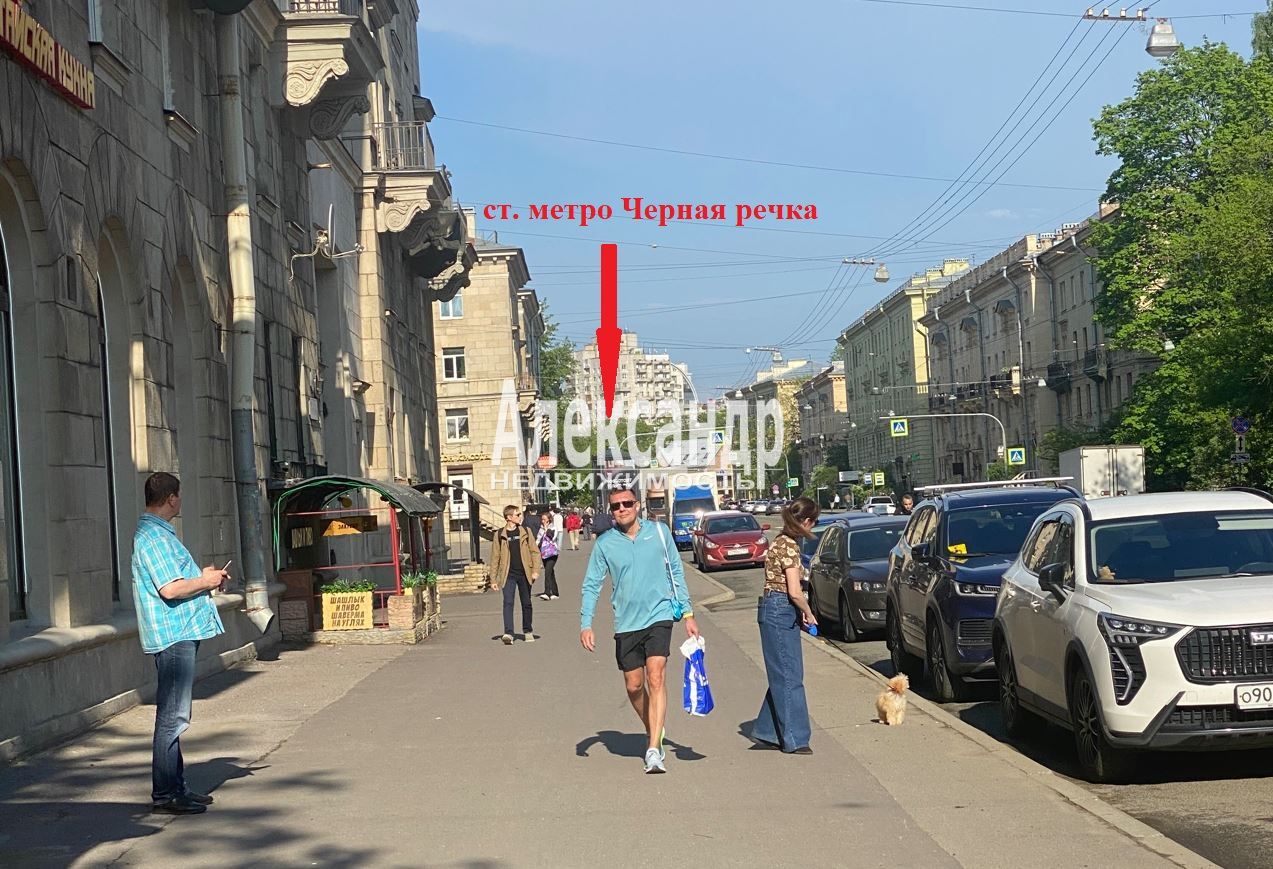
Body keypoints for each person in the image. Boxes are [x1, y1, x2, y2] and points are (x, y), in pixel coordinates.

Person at [580, 486, 700, 774]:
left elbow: (676, 572)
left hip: (659, 615)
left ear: (637, 505)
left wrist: (688, 614)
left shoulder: (659, 532)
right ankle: (653, 727)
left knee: (655, 676)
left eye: (627, 503)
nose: (622, 509)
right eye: (616, 506)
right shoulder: (605, 543)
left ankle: (653, 749)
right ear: (611, 511)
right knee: (634, 686)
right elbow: (591, 584)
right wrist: (586, 623)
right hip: (626, 623)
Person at [131, 472, 230, 815]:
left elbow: (176, 581)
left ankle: (176, 787)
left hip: (178, 632)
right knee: (172, 717)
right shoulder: (154, 537)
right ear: (171, 498)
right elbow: (170, 589)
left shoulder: (158, 534)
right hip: (173, 635)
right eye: (179, 496)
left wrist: (204, 578)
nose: (180, 501)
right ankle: (165, 794)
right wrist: (206, 581)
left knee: (174, 715)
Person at [751, 496, 820, 754]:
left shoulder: (778, 541)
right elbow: (794, 591)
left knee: (783, 673)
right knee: (790, 676)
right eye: (814, 522)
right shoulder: (790, 546)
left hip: (773, 607)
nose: (813, 527)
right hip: (781, 608)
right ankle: (795, 739)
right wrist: (808, 613)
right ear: (806, 521)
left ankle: (768, 731)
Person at [489, 504, 542, 644]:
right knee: (508, 602)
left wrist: (535, 571)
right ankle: (508, 633)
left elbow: (535, 552)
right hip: (508, 574)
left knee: (526, 603)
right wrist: (493, 579)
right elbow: (495, 557)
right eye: (517, 515)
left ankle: (528, 631)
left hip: (525, 573)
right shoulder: (500, 534)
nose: (520, 517)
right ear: (509, 517)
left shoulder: (525, 531)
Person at [537, 519, 561, 601]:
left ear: (549, 520)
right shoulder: (540, 529)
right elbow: (538, 540)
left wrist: (546, 529)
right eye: (542, 519)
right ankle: (555, 593)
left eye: (545, 519)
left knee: (547, 572)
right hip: (544, 553)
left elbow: (552, 537)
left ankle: (547, 592)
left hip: (552, 553)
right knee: (551, 573)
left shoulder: (553, 527)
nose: (543, 521)